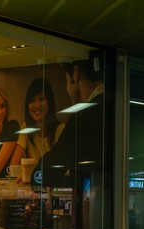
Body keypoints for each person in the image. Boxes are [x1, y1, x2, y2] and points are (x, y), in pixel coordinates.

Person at [31, 50, 106, 188]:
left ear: (75, 73)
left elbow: (43, 176)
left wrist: (35, 176)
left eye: (66, 80)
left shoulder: (83, 116)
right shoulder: (119, 103)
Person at [10, 78, 65, 183]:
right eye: (32, 101)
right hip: (32, 191)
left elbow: (62, 171)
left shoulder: (60, 130)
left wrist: (32, 173)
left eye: (41, 99)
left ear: (49, 101)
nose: (37, 105)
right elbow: (14, 167)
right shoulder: (26, 130)